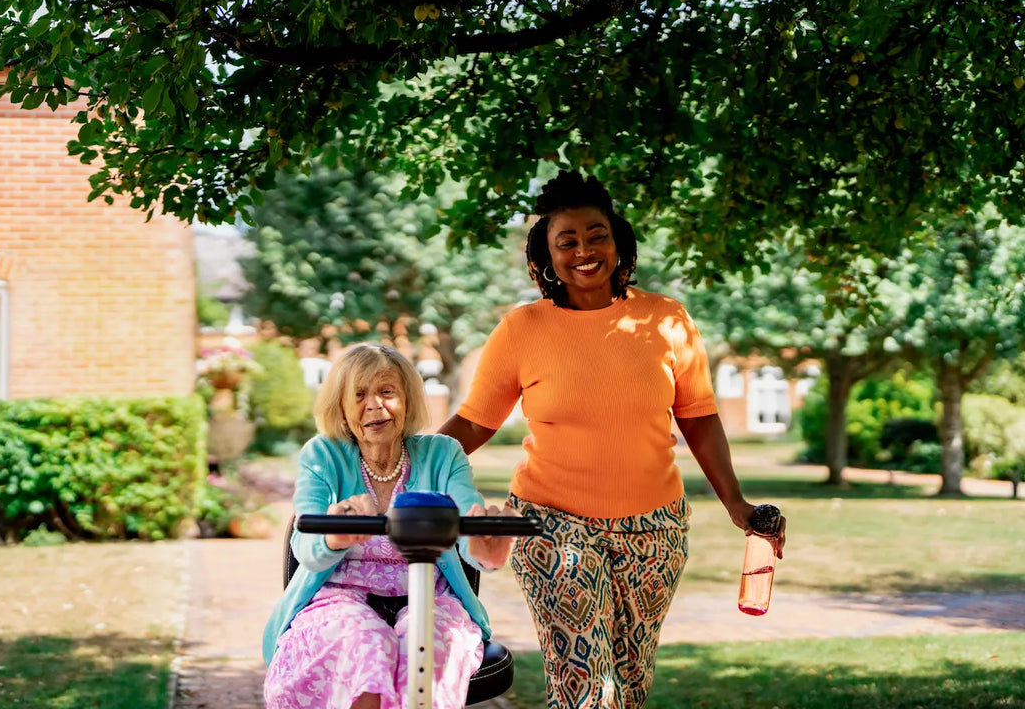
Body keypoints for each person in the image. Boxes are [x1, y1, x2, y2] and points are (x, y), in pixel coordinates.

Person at [438, 170, 787, 709]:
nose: (584, 250)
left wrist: (737, 505)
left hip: (656, 528)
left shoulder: (666, 320)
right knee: (586, 685)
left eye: (596, 234)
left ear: (618, 240)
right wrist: (406, 465)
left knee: (628, 684)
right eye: (567, 241)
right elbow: (475, 422)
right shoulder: (522, 329)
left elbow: (697, 417)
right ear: (545, 257)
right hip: (551, 522)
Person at [263, 343, 518, 709]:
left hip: (431, 598)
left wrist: (483, 550)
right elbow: (306, 547)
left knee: (425, 645)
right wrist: (335, 537)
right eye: (360, 394)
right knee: (365, 643)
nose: (375, 405)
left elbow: (468, 527)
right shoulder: (322, 455)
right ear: (341, 406)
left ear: (407, 401)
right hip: (340, 598)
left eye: (387, 392)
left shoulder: (443, 454)